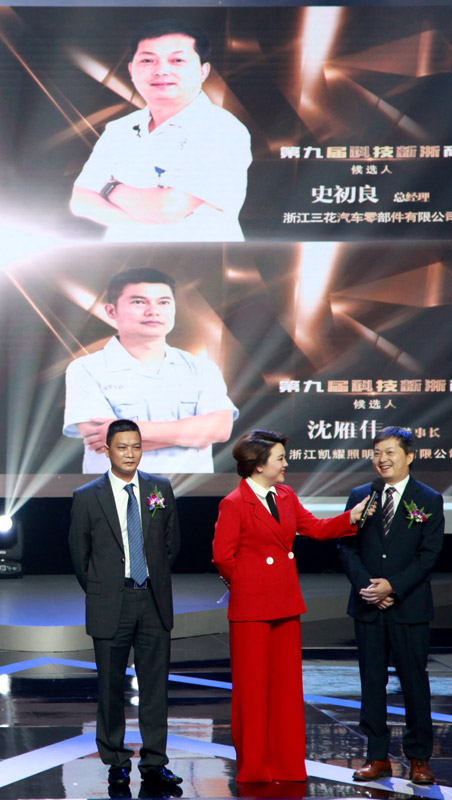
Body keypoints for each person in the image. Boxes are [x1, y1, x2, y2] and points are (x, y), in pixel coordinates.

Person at [212, 430, 374, 783]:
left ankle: (287, 766)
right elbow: (223, 557)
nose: (286, 464)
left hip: (285, 604)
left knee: (285, 690)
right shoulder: (234, 503)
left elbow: (315, 528)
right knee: (253, 691)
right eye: (280, 458)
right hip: (252, 609)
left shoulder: (285, 496)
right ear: (258, 465)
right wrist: (250, 585)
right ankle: (255, 769)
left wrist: (352, 517)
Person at [68, 419, 182, 790]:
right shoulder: (88, 496)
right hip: (110, 602)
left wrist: (150, 578)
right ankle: (116, 761)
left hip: (152, 600)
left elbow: (171, 545)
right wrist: (104, 589)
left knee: (155, 687)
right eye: (122, 447)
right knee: (110, 688)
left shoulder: (159, 488)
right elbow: (80, 555)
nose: (130, 454)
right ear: (107, 450)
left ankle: (155, 762)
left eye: (136, 446)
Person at [70, 18, 251, 242]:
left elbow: (167, 209)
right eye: (148, 60)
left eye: (177, 60)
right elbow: (81, 201)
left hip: (200, 257)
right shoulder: (119, 129)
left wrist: (109, 187)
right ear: (131, 70)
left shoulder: (223, 130)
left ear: (203, 71)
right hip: (122, 255)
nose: (161, 70)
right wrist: (147, 223)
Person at [338, 426, 444, 786]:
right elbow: (346, 547)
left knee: (414, 682)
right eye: (377, 453)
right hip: (368, 604)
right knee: (371, 682)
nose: (382, 459)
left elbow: (429, 554)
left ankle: (419, 758)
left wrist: (393, 587)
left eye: (390, 452)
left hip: (409, 606)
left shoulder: (427, 499)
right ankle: (377, 756)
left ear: (409, 456)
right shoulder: (361, 495)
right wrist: (369, 587)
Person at [63, 266, 237, 474]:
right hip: (115, 490)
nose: (153, 311)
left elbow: (221, 429)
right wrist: (194, 436)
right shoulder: (85, 369)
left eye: (163, 302)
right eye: (139, 302)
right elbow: (102, 440)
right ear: (111, 311)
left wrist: (133, 431)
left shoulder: (202, 368)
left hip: (192, 491)